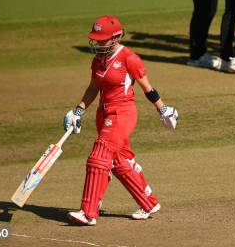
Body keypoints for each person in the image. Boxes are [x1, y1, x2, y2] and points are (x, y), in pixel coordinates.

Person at [65, 15, 178, 226]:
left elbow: (148, 88)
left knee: (99, 157)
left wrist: (163, 110)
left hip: (122, 114)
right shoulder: (97, 60)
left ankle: (88, 212)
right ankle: (149, 203)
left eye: (102, 39)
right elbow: (93, 88)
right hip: (103, 114)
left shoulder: (129, 58)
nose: (97, 43)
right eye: (96, 39)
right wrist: (78, 111)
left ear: (116, 37)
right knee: (119, 161)